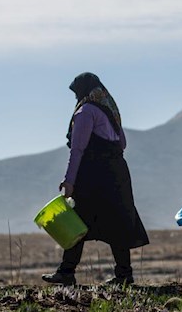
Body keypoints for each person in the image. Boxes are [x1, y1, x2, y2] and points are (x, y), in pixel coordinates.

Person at [42, 73, 149, 286]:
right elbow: (122, 143)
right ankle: (124, 274)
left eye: (76, 94)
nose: (75, 98)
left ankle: (67, 271)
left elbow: (77, 149)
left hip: (93, 176)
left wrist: (69, 181)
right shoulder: (109, 110)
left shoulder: (85, 112)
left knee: (77, 221)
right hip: (116, 173)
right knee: (117, 220)